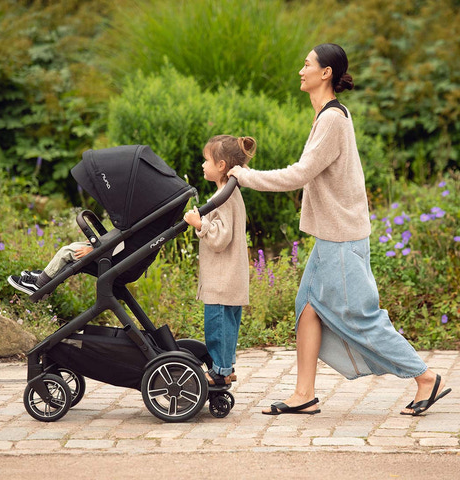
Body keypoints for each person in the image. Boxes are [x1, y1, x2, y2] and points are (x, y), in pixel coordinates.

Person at [228, 43, 451, 416]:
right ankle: (304, 394)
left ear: (325, 72)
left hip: (342, 239)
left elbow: (300, 174)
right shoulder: (326, 115)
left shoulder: (332, 119)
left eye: (307, 64)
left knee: (359, 317)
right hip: (333, 237)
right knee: (307, 308)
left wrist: (245, 176)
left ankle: (426, 377)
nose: (301, 71)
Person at [184, 135, 255, 386]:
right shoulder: (228, 193)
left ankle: (220, 372)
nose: (203, 165)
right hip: (228, 278)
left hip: (223, 280)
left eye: (207, 160)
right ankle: (226, 367)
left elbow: (220, 238)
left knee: (218, 328)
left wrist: (199, 223)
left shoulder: (225, 198)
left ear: (221, 165)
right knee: (227, 327)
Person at [8, 241, 93, 295]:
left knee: (67, 251)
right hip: (100, 249)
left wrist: (93, 250)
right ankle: (44, 276)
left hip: (100, 255)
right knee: (75, 245)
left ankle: (38, 284)